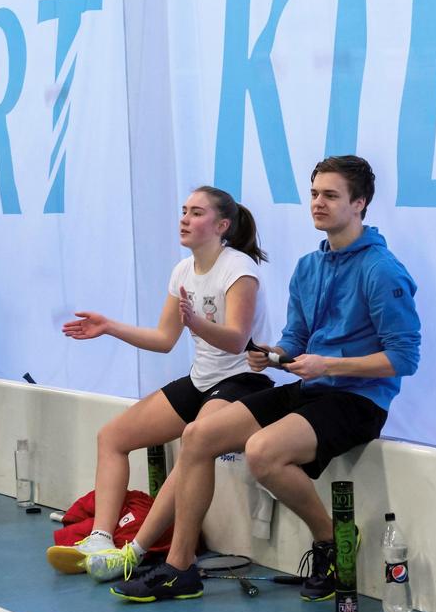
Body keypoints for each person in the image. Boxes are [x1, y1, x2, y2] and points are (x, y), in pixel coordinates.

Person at [112, 156, 421, 603]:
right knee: (198, 435)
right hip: (311, 387)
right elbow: (296, 340)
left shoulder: (382, 269)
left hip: (359, 399)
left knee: (261, 452)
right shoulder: (308, 266)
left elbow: (404, 358)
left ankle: (331, 540)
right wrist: (271, 355)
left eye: (330, 195)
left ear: (359, 204)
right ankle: (179, 568)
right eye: (314, 193)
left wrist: (328, 366)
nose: (317, 203)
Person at [46, 186, 273, 583]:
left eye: (197, 213)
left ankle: (134, 552)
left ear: (222, 225)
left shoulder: (239, 270)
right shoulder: (183, 271)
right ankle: (101, 539)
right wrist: (109, 327)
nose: (185, 219)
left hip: (244, 381)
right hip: (202, 380)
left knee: (193, 443)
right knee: (112, 437)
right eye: (184, 210)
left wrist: (197, 322)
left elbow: (238, 340)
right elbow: (165, 339)